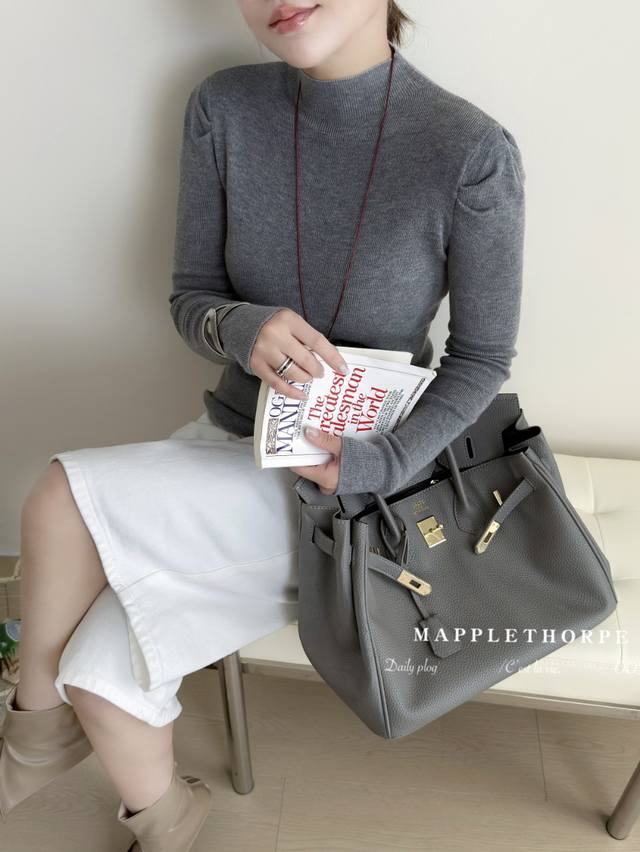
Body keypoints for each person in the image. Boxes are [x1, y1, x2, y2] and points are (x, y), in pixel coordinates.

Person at [0, 0, 526, 848]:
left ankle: (28, 734)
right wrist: (241, 329)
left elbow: (481, 359)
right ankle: (168, 818)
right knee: (96, 676)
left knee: (61, 496)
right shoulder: (224, 107)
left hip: (350, 493)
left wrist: (377, 464)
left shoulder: (468, 150)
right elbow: (192, 298)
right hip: (226, 444)